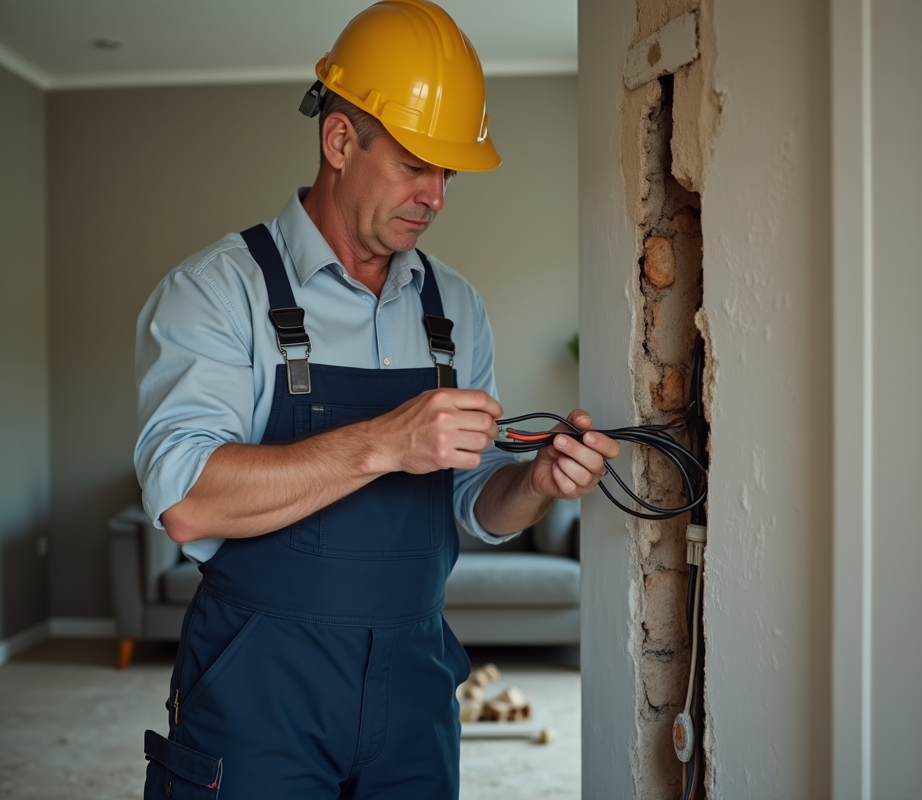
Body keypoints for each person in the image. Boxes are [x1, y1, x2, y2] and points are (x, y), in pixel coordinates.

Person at [134, 1, 619, 797]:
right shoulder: (216, 292)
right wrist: (384, 442)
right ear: (338, 141)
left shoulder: (455, 308)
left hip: (415, 685)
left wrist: (532, 485)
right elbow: (186, 500)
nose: (435, 194)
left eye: (448, 172)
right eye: (413, 164)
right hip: (261, 689)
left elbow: (475, 508)